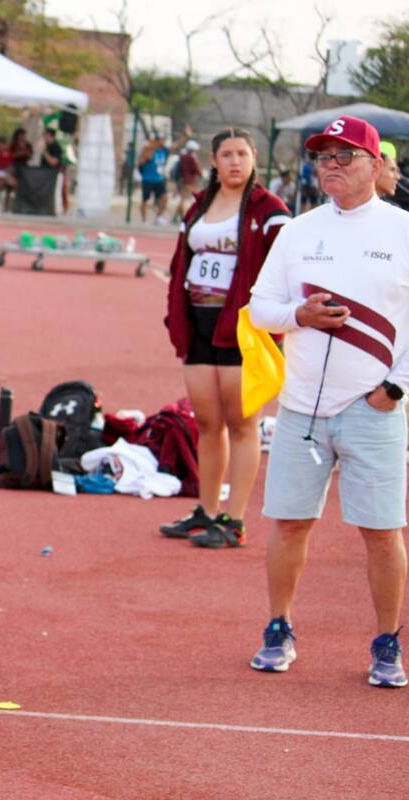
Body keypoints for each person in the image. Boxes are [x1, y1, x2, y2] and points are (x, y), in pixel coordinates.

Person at [247, 115, 409, 688]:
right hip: (300, 410)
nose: (331, 166)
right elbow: (259, 307)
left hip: (373, 407)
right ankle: (278, 627)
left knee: (383, 531)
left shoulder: (403, 230)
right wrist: (300, 316)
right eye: (323, 157)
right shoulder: (296, 232)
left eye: (345, 156)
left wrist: (395, 388)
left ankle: (388, 641)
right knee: (289, 524)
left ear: (375, 164)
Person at [160, 127, 291, 548]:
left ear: (254, 158)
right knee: (207, 422)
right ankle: (207, 509)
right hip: (198, 323)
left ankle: (234, 520)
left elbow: (289, 267)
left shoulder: (269, 209)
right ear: (213, 162)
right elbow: (182, 260)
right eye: (227, 155)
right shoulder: (199, 205)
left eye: (242, 154)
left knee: (242, 423)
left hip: (242, 330)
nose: (235, 162)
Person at [138, 125, 191, 223]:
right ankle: (143, 220)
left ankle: (158, 217)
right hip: (148, 179)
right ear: (157, 141)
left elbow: (176, 145)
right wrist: (151, 148)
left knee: (165, 197)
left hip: (159, 179)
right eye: (161, 140)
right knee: (145, 200)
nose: (163, 142)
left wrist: (186, 136)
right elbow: (141, 160)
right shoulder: (149, 149)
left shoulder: (164, 151)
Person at [170, 140, 202, 222]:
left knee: (183, 199)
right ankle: (181, 217)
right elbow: (197, 170)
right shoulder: (191, 158)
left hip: (182, 180)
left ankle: (177, 217)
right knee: (185, 200)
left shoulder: (182, 157)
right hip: (189, 181)